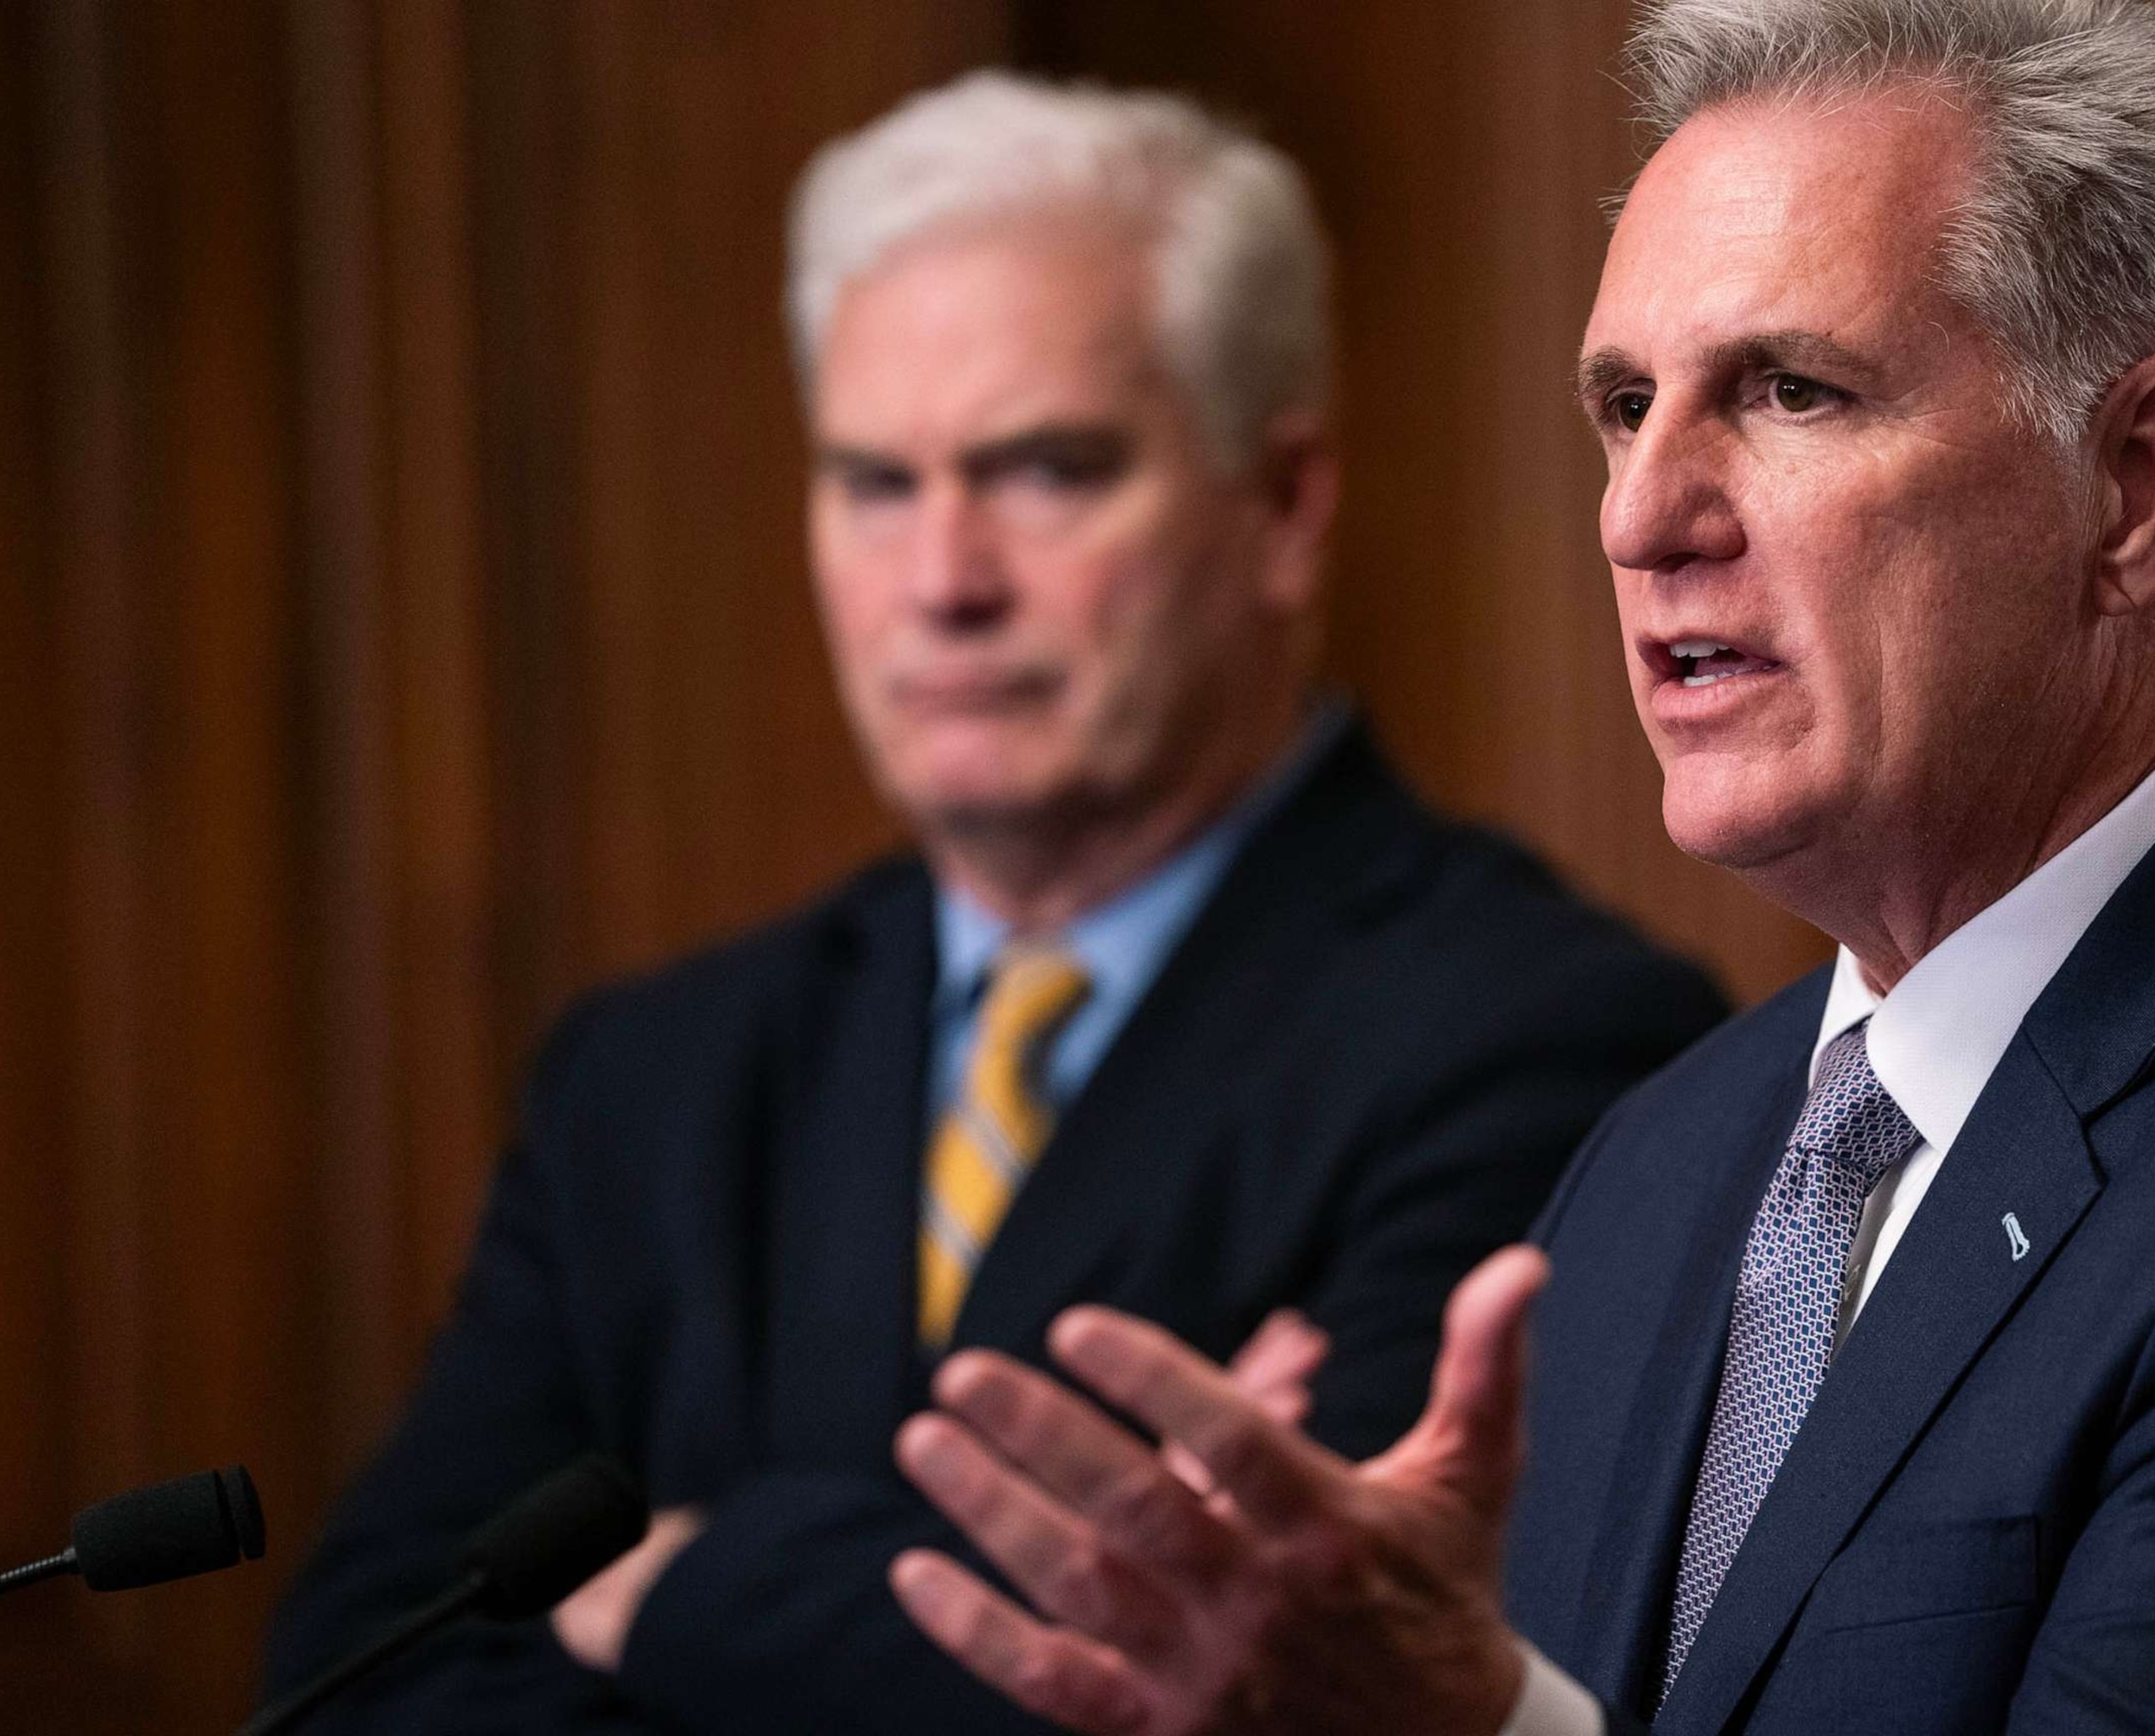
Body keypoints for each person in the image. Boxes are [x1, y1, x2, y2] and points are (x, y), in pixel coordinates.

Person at [881, 5, 2155, 1734]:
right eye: (1627, 405)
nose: (1641, 515)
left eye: (1788, 390)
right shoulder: (1664, 1156)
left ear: (2140, 481)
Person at [259, 72, 1723, 1733]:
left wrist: (678, 1579)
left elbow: (1323, 1685)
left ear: (1284, 505)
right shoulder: (650, 1078)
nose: (942, 580)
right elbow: (356, 1675)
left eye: (1044, 470)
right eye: (876, 482)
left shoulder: (1552, 1039)